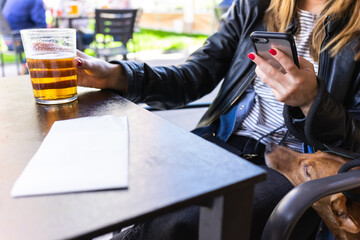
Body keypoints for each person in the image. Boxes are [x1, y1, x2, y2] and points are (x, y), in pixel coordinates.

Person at [73, 0, 360, 239]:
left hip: (296, 167)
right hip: (222, 142)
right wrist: (115, 74)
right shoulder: (256, 6)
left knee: (176, 222)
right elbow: (193, 76)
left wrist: (313, 102)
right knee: (130, 192)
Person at [2, 0, 47, 74]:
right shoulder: (36, 1)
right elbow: (41, 26)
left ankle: (25, 67)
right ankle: (28, 69)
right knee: (49, 40)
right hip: (19, 41)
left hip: (8, 40)